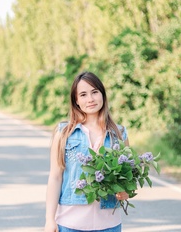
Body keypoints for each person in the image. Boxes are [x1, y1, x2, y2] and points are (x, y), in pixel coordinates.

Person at [45, 71, 130, 232]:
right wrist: (50, 219)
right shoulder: (64, 133)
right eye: (83, 94)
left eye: (94, 92)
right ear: (76, 101)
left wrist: (125, 191)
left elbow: (125, 176)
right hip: (70, 224)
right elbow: (55, 177)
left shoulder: (119, 133)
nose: (90, 99)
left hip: (109, 225)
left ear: (103, 95)